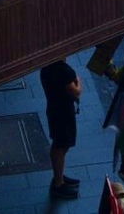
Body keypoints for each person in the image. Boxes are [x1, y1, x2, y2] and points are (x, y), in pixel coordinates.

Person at [39, 57, 81, 200]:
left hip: (54, 110)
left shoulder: (46, 68)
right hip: (63, 113)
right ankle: (58, 184)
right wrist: (78, 81)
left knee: (61, 144)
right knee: (61, 146)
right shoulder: (64, 71)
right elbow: (76, 92)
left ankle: (59, 176)